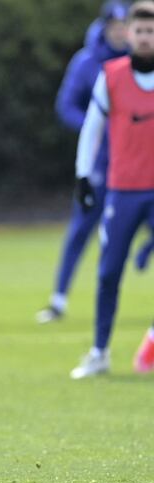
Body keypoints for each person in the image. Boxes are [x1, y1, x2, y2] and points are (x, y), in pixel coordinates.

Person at [70, 1, 154, 379]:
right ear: (129, 35)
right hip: (123, 191)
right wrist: (84, 175)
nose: (145, 37)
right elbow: (91, 128)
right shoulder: (112, 75)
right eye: (139, 31)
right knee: (108, 273)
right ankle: (100, 351)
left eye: (151, 31)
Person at [36, 1, 129, 324]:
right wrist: (97, 128)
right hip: (101, 162)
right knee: (82, 229)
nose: (120, 31)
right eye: (114, 26)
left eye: (124, 25)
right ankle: (58, 300)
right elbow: (67, 107)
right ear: (105, 27)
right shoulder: (87, 62)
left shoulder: (140, 60)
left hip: (138, 162)